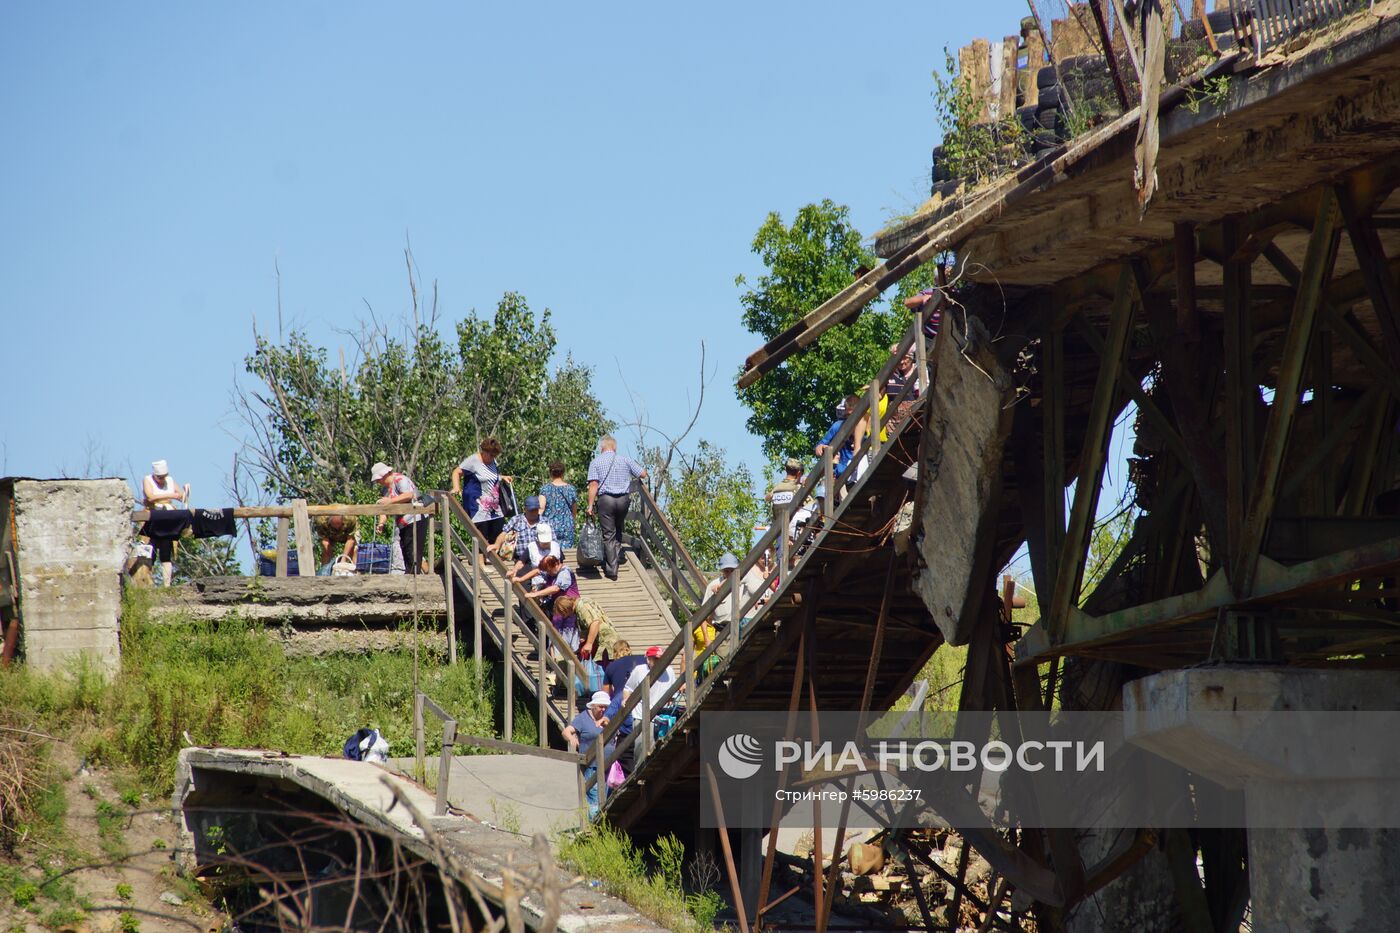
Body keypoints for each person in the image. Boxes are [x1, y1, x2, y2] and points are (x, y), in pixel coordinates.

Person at [586, 436, 647, 581]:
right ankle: (617, 555)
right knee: (618, 527)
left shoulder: (596, 462)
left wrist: (590, 505)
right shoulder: (625, 460)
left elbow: (594, 484)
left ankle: (612, 569)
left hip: (606, 500)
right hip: (623, 500)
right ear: (615, 447)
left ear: (602, 448)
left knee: (608, 533)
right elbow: (643, 474)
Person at [451, 438, 513, 550]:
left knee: (498, 533)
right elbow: (457, 472)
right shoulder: (473, 461)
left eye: (495, 456)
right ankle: (480, 563)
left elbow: (489, 476)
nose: (492, 458)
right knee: (481, 536)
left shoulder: (493, 461)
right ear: (483, 451)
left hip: (495, 507)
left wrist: (502, 477)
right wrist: (456, 487)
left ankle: (495, 563)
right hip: (478, 506)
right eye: (490, 455)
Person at [563, 691, 614, 818]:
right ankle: (594, 827)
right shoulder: (583, 718)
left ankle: (603, 826)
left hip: (609, 765)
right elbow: (566, 731)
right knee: (595, 798)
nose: (603, 709)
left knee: (607, 799)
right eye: (600, 707)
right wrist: (572, 739)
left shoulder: (607, 718)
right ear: (593, 706)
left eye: (605, 707)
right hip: (592, 765)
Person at [372, 462, 428, 574]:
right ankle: (411, 575)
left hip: (415, 519)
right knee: (406, 552)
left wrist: (390, 501)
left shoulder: (400, 480)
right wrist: (381, 523)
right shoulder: (386, 490)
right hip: (403, 524)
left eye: (379, 479)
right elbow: (384, 509)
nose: (378, 482)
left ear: (385, 474)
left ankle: (414, 579)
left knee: (413, 552)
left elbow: (408, 495)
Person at [141, 459, 191, 587]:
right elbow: (150, 496)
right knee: (149, 552)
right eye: (160, 477)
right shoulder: (148, 479)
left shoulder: (170, 480)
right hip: (153, 517)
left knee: (165, 552)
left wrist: (184, 493)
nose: (162, 480)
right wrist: (170, 495)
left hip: (167, 519)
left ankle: (167, 585)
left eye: (164, 477)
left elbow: (180, 495)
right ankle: (147, 584)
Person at [706, 552, 768, 630]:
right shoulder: (713, 585)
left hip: (740, 627)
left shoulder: (742, 582)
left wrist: (758, 601)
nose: (730, 573)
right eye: (726, 570)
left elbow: (757, 592)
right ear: (721, 570)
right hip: (720, 630)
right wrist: (707, 639)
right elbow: (704, 616)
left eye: (732, 570)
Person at [623, 646, 679, 730]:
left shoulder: (669, 671)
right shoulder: (639, 670)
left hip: (663, 717)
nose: (660, 661)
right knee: (642, 743)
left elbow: (673, 693)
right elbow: (628, 688)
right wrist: (625, 699)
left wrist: (671, 699)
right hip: (641, 716)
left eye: (662, 659)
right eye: (656, 659)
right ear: (648, 659)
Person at [499, 496, 552, 578]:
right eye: (531, 510)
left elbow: (553, 541)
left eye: (536, 510)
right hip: (522, 561)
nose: (534, 512)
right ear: (525, 509)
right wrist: (496, 544)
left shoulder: (545, 521)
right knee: (522, 583)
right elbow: (504, 533)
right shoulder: (516, 520)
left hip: (542, 559)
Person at [560, 594, 619, 663]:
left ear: (565, 609)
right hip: (600, 642)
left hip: (606, 642)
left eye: (563, 614)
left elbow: (595, 622)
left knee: (603, 667)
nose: (565, 616)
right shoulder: (578, 609)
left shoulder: (582, 605)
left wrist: (589, 644)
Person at [539, 462, 579, 549]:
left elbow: (541, 508)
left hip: (550, 526)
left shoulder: (545, 489)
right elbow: (574, 509)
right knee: (566, 553)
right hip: (567, 526)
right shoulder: (571, 489)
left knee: (551, 554)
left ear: (550, 473)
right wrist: (572, 521)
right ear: (563, 473)